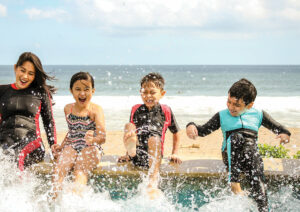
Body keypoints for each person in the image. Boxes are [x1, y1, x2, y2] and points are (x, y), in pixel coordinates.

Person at [186, 78, 291, 212]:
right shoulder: (222, 115)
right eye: (229, 101)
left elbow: (280, 128)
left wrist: (285, 135)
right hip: (230, 154)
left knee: (259, 182)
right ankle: (234, 183)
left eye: (236, 105)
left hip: (251, 157)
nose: (230, 107)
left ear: (249, 105)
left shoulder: (258, 114)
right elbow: (203, 130)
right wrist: (191, 126)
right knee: (237, 137)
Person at [118, 72, 181, 198]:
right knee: (129, 126)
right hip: (138, 154)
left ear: (162, 93)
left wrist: (175, 152)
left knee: (153, 138)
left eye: (152, 92)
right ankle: (130, 153)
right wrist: (127, 155)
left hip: (154, 157)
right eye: (144, 92)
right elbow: (133, 132)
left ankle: (153, 180)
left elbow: (176, 132)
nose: (148, 96)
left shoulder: (165, 110)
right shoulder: (136, 109)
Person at [51, 72, 106, 199]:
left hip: (91, 147)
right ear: (71, 91)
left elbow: (103, 137)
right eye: (78, 89)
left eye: (86, 89)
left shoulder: (96, 110)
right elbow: (72, 131)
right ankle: (54, 201)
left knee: (79, 170)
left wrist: (94, 139)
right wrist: (62, 146)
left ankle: (76, 202)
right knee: (59, 169)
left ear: (93, 90)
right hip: (72, 145)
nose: (82, 93)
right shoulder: (67, 109)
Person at [0, 52, 57, 171]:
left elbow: (49, 122)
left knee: (16, 157)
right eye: (22, 70)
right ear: (16, 68)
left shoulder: (40, 93)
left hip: (32, 142)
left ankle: (18, 190)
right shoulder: (2, 91)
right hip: (5, 141)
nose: (25, 76)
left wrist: (53, 146)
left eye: (30, 74)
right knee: (4, 156)